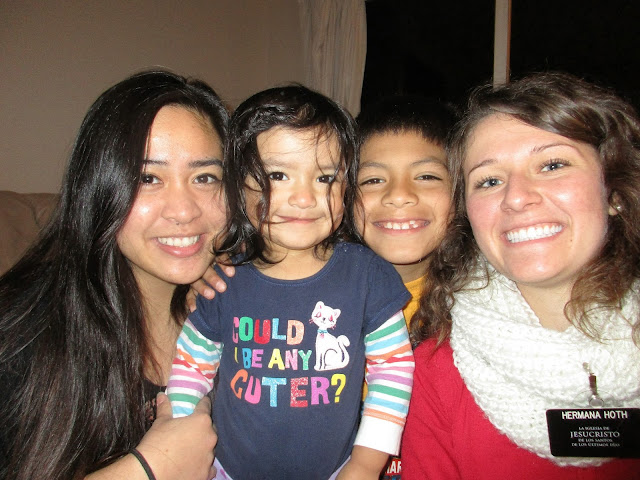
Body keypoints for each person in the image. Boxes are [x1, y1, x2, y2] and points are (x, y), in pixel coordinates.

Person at [167, 85, 414, 480]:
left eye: (325, 177)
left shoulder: (367, 276)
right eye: (277, 175)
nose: (304, 198)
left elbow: (393, 370)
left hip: (337, 469)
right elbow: (191, 368)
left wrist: (367, 464)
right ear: (237, 184)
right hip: (227, 469)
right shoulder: (223, 278)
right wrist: (182, 443)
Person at [402, 72, 640, 479]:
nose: (515, 197)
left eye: (552, 165)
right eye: (489, 181)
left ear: (614, 192)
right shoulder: (434, 373)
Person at [0, 70, 231, 480]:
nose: (184, 211)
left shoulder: (240, 305)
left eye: (205, 177)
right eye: (148, 178)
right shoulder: (20, 332)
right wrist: (150, 470)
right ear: (98, 187)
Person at [354, 96, 457, 479]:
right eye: (372, 180)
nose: (398, 195)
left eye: (427, 176)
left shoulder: (485, 306)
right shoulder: (313, 291)